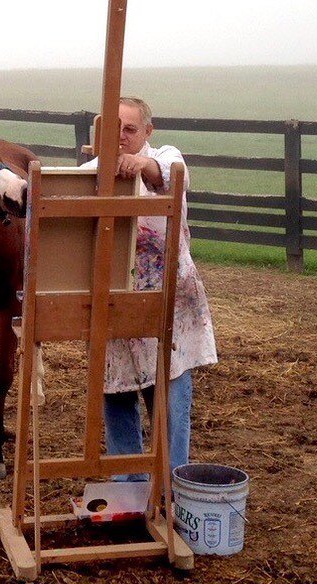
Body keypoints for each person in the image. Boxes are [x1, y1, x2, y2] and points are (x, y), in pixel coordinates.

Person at [83, 97, 218, 481]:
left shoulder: (164, 155)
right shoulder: (94, 171)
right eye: (115, 130)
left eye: (130, 129)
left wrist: (142, 165)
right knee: (116, 388)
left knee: (170, 388)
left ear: (147, 131)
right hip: (116, 295)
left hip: (169, 296)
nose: (122, 137)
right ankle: (129, 483)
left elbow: (176, 172)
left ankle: (173, 483)